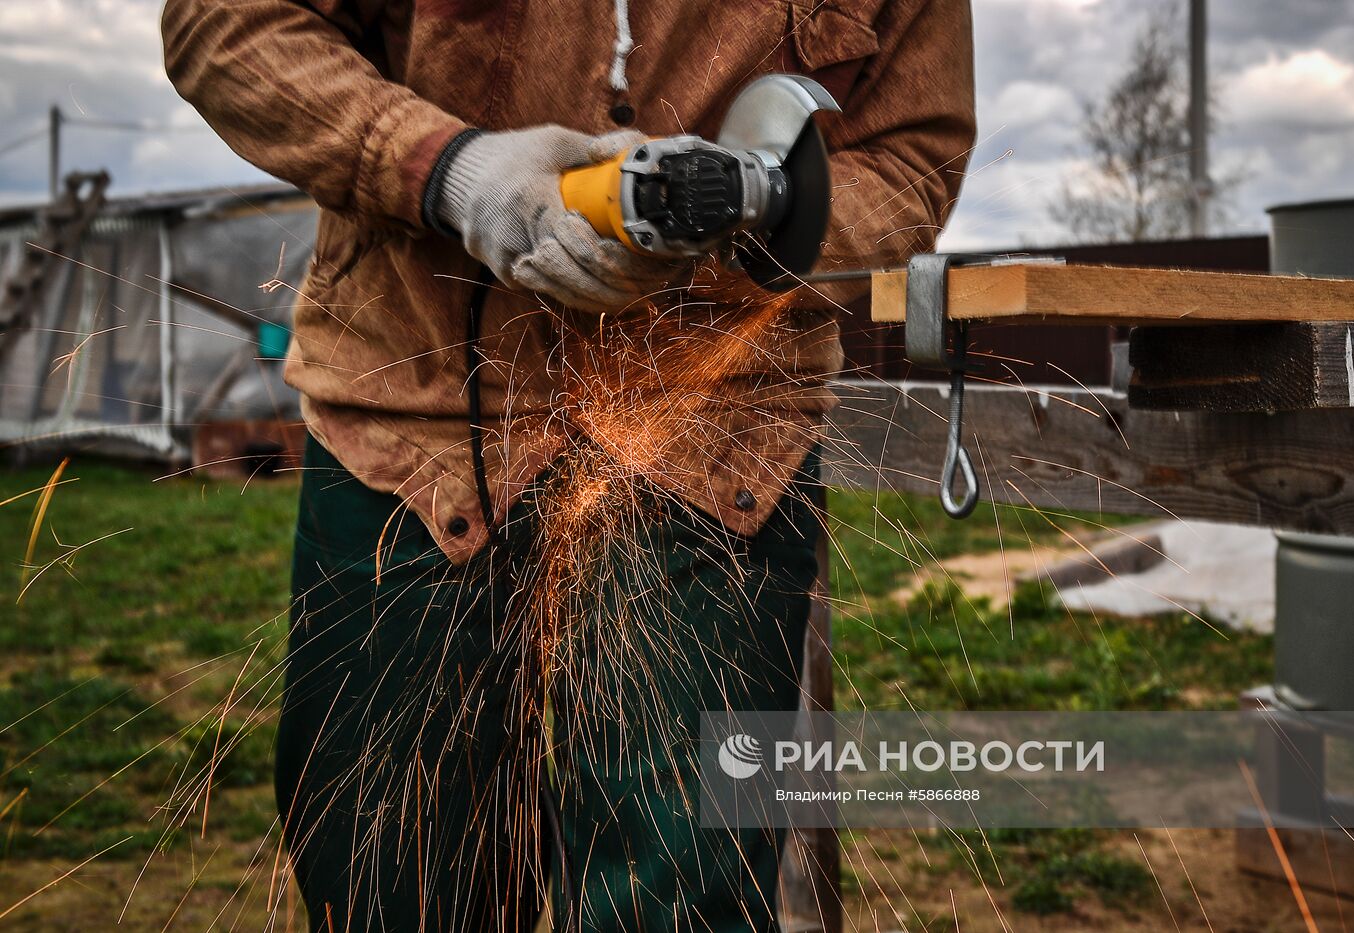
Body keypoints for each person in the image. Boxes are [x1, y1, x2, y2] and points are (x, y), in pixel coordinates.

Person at [163, 1, 974, 929]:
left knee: (685, 894)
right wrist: (448, 171)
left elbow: (915, 155)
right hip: (413, 425)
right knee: (391, 876)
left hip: (717, 447)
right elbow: (228, 27)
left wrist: (738, 213)